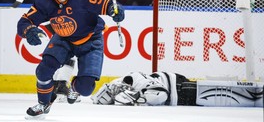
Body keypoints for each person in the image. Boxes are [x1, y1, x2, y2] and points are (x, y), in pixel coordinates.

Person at [17, 0, 125, 119]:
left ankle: (73, 88)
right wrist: (28, 31)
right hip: (63, 39)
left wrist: (115, 10)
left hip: (91, 40)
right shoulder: (44, 1)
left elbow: (107, 4)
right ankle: (43, 104)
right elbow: (25, 21)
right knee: (43, 71)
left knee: (86, 88)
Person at [91, 71, 264, 107]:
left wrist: (135, 98)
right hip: (178, 86)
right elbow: (99, 98)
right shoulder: (123, 83)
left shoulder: (136, 79)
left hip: (181, 90)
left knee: (220, 93)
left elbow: (160, 94)